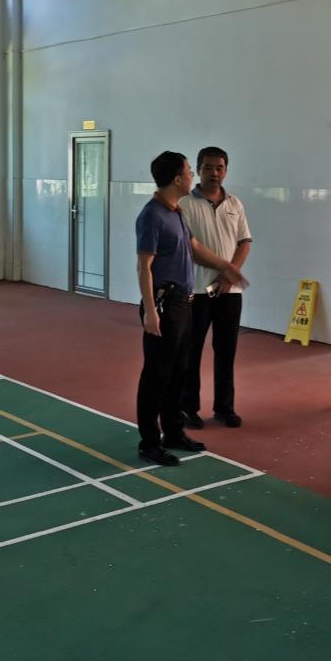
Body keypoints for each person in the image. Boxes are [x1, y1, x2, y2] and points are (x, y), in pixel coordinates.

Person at [135, 151, 243, 466]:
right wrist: (150, 312)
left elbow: (194, 247)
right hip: (164, 304)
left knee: (177, 372)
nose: (192, 176)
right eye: (188, 171)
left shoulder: (177, 212)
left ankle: (173, 432)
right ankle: (149, 442)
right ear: (177, 178)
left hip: (184, 303)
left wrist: (226, 266)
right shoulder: (152, 215)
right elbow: (144, 267)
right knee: (156, 375)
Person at [178, 147, 252, 429]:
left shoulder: (235, 204)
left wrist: (228, 277)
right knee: (191, 350)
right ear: (198, 170)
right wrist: (226, 270)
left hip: (229, 293)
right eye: (208, 167)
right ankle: (188, 408)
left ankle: (224, 407)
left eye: (219, 168)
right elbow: (191, 248)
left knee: (226, 350)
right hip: (197, 290)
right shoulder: (185, 203)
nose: (214, 173)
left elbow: (244, 242)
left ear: (226, 170)